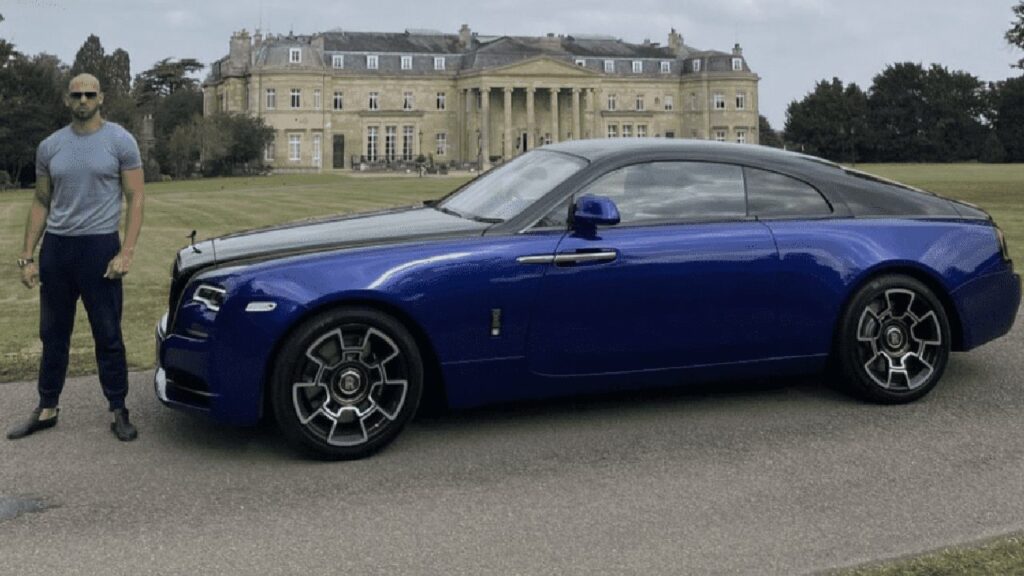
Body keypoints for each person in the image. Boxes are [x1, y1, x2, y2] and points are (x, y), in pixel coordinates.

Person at [8, 73, 145, 442]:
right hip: (58, 249)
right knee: (53, 334)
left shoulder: (120, 141)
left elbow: (136, 198)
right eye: (76, 95)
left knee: (108, 334)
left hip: (100, 249)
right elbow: (41, 201)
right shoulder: (50, 146)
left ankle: (118, 408)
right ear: (67, 101)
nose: (83, 100)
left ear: (101, 98)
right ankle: (47, 407)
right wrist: (27, 256)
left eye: (89, 94)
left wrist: (126, 252)